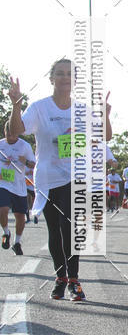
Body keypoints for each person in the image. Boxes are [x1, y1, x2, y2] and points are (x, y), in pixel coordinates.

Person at [8, 58, 112, 300]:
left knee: (71, 225)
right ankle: (60, 276)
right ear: (52, 78)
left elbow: (105, 135)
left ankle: (74, 279)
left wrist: (105, 115)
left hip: (76, 176)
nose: (66, 78)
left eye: (70, 74)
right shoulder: (40, 107)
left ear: (75, 80)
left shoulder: (83, 109)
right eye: (60, 73)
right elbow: (15, 130)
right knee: (55, 229)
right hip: (48, 177)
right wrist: (15, 105)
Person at [0, 122, 35, 255]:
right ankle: (6, 232)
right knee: (2, 209)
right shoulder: (1, 145)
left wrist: (24, 161)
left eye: (12, 134)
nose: (9, 137)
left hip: (19, 185)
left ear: (17, 133)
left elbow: (33, 165)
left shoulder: (24, 146)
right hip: (3, 183)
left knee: (20, 216)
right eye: (7, 134)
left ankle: (17, 242)